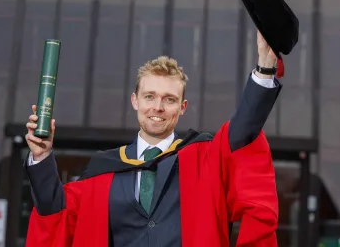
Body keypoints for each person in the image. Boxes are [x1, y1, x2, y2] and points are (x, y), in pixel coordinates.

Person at [24, 31, 281, 247]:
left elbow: (243, 130)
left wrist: (265, 69)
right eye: (149, 96)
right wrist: (42, 156)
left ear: (182, 107)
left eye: (169, 99)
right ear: (135, 101)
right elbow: (54, 214)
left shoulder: (203, 158)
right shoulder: (103, 170)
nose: (158, 107)